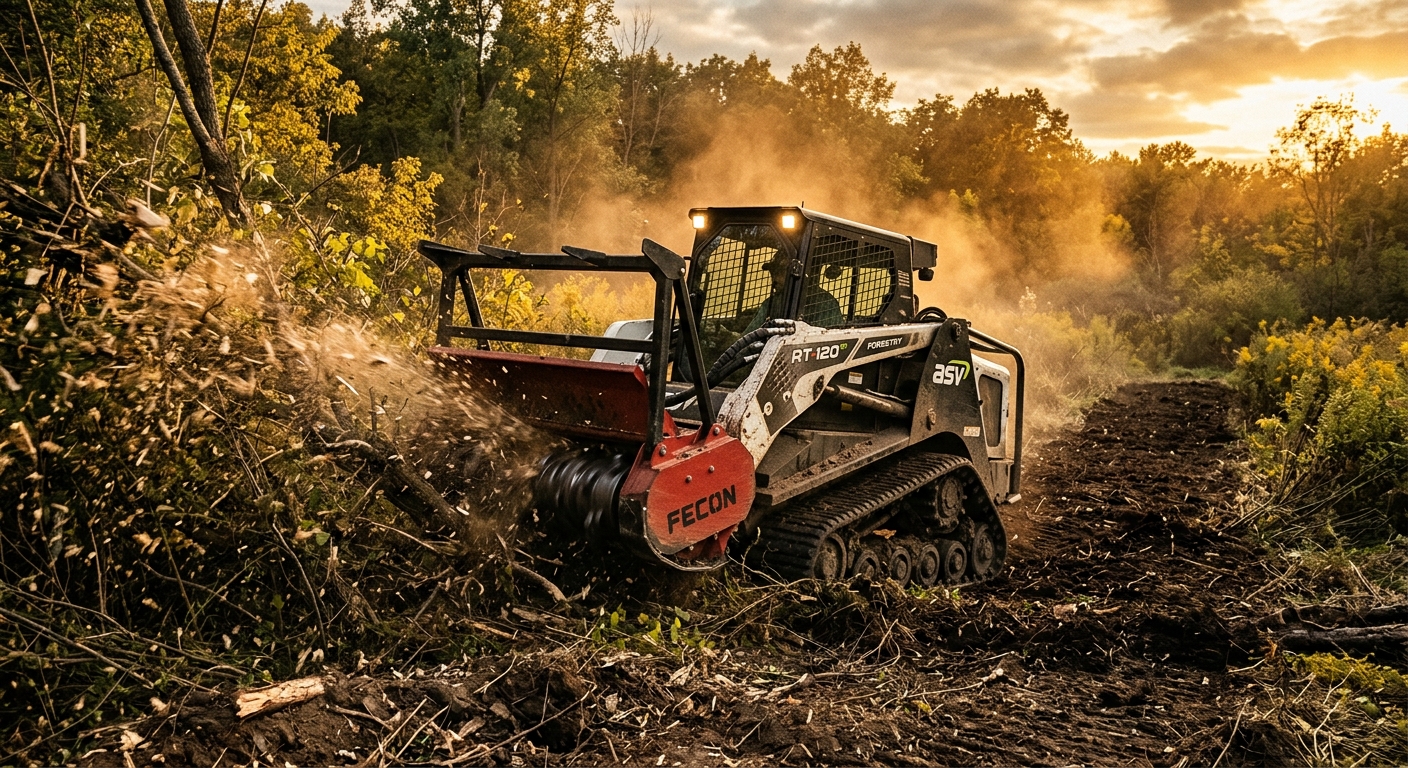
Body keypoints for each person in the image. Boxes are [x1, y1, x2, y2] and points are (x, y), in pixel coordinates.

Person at [743, 250, 843, 332]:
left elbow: (829, 339)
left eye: (779, 273)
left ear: (796, 272)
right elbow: (750, 335)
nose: (774, 279)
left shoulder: (825, 304)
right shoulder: (772, 302)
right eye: (772, 273)